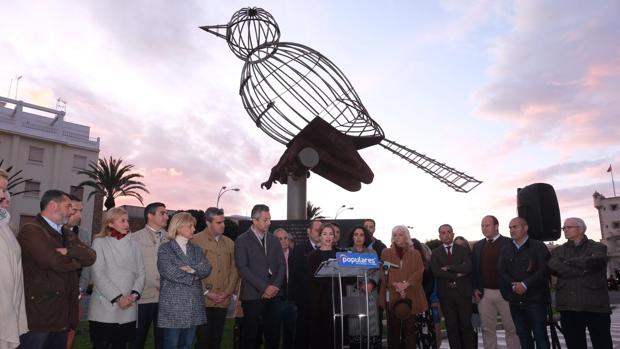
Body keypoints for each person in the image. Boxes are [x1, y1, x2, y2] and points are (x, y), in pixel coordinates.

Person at [18, 190, 96, 349]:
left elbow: (91, 256)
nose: (71, 211)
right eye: (68, 207)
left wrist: (69, 253)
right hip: (39, 316)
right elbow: (53, 261)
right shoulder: (31, 230)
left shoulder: (65, 232)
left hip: (62, 316)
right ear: (53, 205)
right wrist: (77, 261)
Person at [548, 217, 612, 348]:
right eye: (564, 228)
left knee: (602, 343)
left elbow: (596, 261)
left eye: (568, 227)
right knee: (574, 344)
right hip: (569, 307)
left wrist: (568, 262)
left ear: (581, 229)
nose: (565, 230)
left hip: (595, 306)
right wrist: (582, 269)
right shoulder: (558, 250)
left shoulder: (598, 247)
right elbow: (553, 266)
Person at [88, 207, 145, 349]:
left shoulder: (134, 245)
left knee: (121, 345)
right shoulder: (99, 242)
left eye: (128, 221)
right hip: (105, 306)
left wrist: (133, 295)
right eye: (122, 221)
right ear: (110, 223)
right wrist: (118, 298)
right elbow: (98, 273)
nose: (127, 224)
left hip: (128, 306)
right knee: (102, 344)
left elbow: (141, 272)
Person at [157, 212, 212, 349]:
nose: (194, 229)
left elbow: (206, 268)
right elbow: (169, 272)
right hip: (174, 306)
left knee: (187, 345)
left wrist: (190, 270)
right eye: (190, 226)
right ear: (179, 227)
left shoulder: (196, 249)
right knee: (171, 344)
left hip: (194, 305)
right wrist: (195, 274)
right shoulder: (165, 249)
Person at [234, 204, 285, 349]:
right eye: (265, 219)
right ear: (254, 221)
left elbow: (281, 265)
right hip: (252, 295)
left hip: (274, 294)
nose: (269, 222)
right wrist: (264, 288)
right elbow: (243, 268)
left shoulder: (274, 239)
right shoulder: (242, 240)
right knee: (251, 336)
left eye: (269, 219)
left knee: (273, 335)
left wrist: (275, 286)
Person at [498, 217, 550, 349]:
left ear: (525, 228)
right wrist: (513, 285)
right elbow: (502, 271)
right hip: (515, 301)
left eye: (515, 227)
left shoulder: (538, 246)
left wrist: (526, 284)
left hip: (535, 300)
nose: (512, 230)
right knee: (523, 335)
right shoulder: (506, 249)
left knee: (540, 335)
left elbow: (544, 270)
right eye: (510, 228)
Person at [192, 207, 239, 349]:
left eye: (223, 221)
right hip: (202, 301)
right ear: (208, 222)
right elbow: (190, 272)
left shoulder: (230, 243)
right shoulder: (195, 241)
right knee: (202, 340)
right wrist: (206, 292)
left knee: (216, 339)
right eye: (219, 222)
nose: (223, 225)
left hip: (223, 300)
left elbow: (234, 269)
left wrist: (228, 291)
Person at [471, 215, 519, 349]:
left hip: (506, 294)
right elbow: (474, 270)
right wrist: (475, 288)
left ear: (496, 226)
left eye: (487, 225)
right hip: (485, 294)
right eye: (482, 226)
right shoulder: (478, 246)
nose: (484, 228)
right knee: (487, 330)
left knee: (512, 328)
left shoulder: (510, 243)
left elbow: (516, 268)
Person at [379, 225, 428, 349]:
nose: (397, 237)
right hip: (392, 295)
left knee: (410, 330)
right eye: (395, 235)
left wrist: (406, 284)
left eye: (400, 234)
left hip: (411, 294)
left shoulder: (415, 253)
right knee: (393, 330)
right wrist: (397, 285)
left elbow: (419, 271)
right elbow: (384, 272)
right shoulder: (386, 253)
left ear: (406, 236)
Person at [430, 224, 476, 349]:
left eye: (449, 232)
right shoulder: (435, 253)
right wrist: (458, 274)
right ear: (440, 236)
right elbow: (436, 272)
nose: (446, 234)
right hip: (446, 295)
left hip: (463, 294)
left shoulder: (462, 250)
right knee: (451, 327)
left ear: (453, 234)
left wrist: (450, 268)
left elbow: (468, 267)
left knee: (466, 325)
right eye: (443, 232)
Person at [133, 202, 169, 349]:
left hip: (165, 299)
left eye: (167, 213)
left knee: (163, 341)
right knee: (137, 340)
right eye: (162, 213)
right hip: (143, 298)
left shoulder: (171, 239)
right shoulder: (134, 238)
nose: (166, 216)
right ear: (150, 215)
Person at [0, 170, 27, 349]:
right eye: (0, 189)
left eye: (5, 190)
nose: (3, 196)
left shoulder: (4, 227)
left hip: (7, 308)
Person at [344, 226, 381, 349]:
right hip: (354, 292)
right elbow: (345, 274)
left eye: (361, 235)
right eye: (356, 234)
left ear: (365, 237)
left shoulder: (372, 253)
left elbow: (377, 271)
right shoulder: (347, 253)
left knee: (371, 326)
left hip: (370, 292)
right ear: (352, 237)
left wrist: (371, 284)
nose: (358, 237)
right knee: (355, 327)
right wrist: (360, 285)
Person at [307, 223, 339, 349]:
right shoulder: (312, 256)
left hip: (337, 300)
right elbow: (312, 279)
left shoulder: (340, 255)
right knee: (319, 337)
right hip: (319, 302)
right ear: (319, 236)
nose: (328, 237)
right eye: (324, 234)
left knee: (335, 336)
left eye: (331, 234)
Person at [65, 195, 91, 349]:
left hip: (77, 295)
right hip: (54, 297)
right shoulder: (50, 233)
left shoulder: (84, 234)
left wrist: (81, 289)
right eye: (75, 210)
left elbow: (88, 265)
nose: (79, 215)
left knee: (69, 335)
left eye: (80, 211)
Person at [292, 220, 321, 349]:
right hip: (305, 301)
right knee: (303, 334)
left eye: (322, 231)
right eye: (317, 230)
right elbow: (296, 273)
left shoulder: (327, 250)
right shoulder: (299, 249)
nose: (320, 233)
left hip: (322, 301)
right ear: (308, 232)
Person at [411, 238, 437, 349]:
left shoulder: (426, 266)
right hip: (409, 305)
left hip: (423, 305)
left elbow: (430, 285)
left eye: (412, 246)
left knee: (425, 334)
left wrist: (420, 295)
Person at [274, 228, 297, 349]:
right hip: (276, 299)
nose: (283, 241)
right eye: (280, 239)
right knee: (274, 333)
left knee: (290, 332)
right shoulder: (270, 256)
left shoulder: (296, 255)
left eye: (285, 238)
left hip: (292, 300)